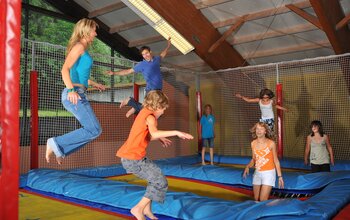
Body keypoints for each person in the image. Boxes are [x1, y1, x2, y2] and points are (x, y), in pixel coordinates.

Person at [117, 90, 193, 220]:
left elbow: (147, 135)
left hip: (133, 157)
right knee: (160, 182)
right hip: (133, 159)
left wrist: (159, 138)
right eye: (163, 109)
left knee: (155, 178)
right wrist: (176, 132)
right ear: (157, 107)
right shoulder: (151, 117)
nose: (163, 112)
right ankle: (138, 208)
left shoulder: (144, 112)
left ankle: (147, 210)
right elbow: (155, 132)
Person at [45, 18, 106, 164]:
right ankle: (55, 143)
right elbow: (64, 69)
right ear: (85, 31)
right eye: (93, 30)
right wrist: (72, 90)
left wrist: (94, 83)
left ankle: (60, 150)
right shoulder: (79, 46)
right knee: (94, 130)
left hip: (79, 90)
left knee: (94, 131)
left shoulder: (82, 48)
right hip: (74, 93)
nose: (95, 34)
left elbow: (77, 74)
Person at [106, 38, 171, 118]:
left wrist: (168, 45)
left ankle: (135, 108)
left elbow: (162, 54)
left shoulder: (156, 59)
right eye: (143, 54)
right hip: (151, 90)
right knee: (151, 112)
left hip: (159, 90)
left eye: (146, 53)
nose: (145, 56)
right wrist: (114, 73)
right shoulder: (141, 65)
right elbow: (128, 71)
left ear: (150, 52)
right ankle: (130, 102)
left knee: (156, 113)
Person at [243, 122, 284, 201]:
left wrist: (280, 176)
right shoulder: (253, 143)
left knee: (262, 200)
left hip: (268, 173)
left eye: (261, 129)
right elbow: (254, 159)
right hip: (258, 172)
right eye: (257, 129)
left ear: (265, 131)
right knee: (256, 199)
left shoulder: (271, 143)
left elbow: (276, 161)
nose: (259, 131)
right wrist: (247, 166)